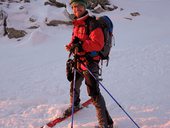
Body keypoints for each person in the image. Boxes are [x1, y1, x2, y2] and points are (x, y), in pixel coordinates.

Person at [64, 0, 113, 127]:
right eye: (74, 7)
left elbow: (98, 44)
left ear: (84, 7)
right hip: (78, 61)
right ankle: (74, 105)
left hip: (90, 63)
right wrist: (71, 46)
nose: (76, 9)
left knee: (94, 93)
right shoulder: (77, 23)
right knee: (74, 84)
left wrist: (81, 46)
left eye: (79, 6)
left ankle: (105, 124)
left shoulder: (92, 23)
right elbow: (75, 40)